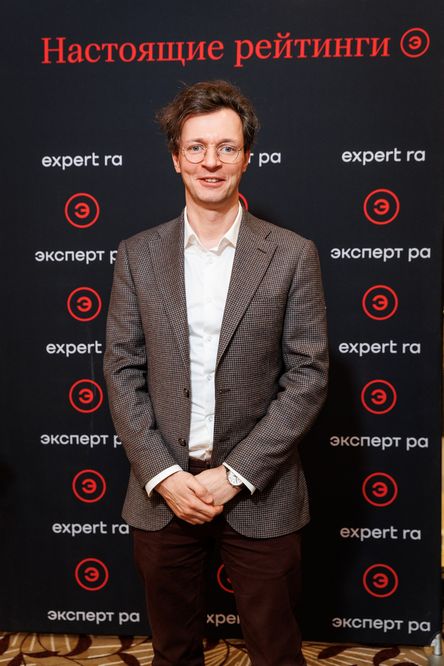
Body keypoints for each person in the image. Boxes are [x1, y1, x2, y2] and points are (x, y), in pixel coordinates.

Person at [104, 79, 328, 666]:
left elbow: (307, 377)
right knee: (173, 651)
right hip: (164, 493)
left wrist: (236, 474)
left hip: (261, 490)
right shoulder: (137, 255)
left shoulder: (291, 254)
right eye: (197, 147)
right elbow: (122, 369)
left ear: (246, 157)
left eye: (226, 147)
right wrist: (163, 475)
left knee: (276, 651)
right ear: (176, 158)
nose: (211, 161)